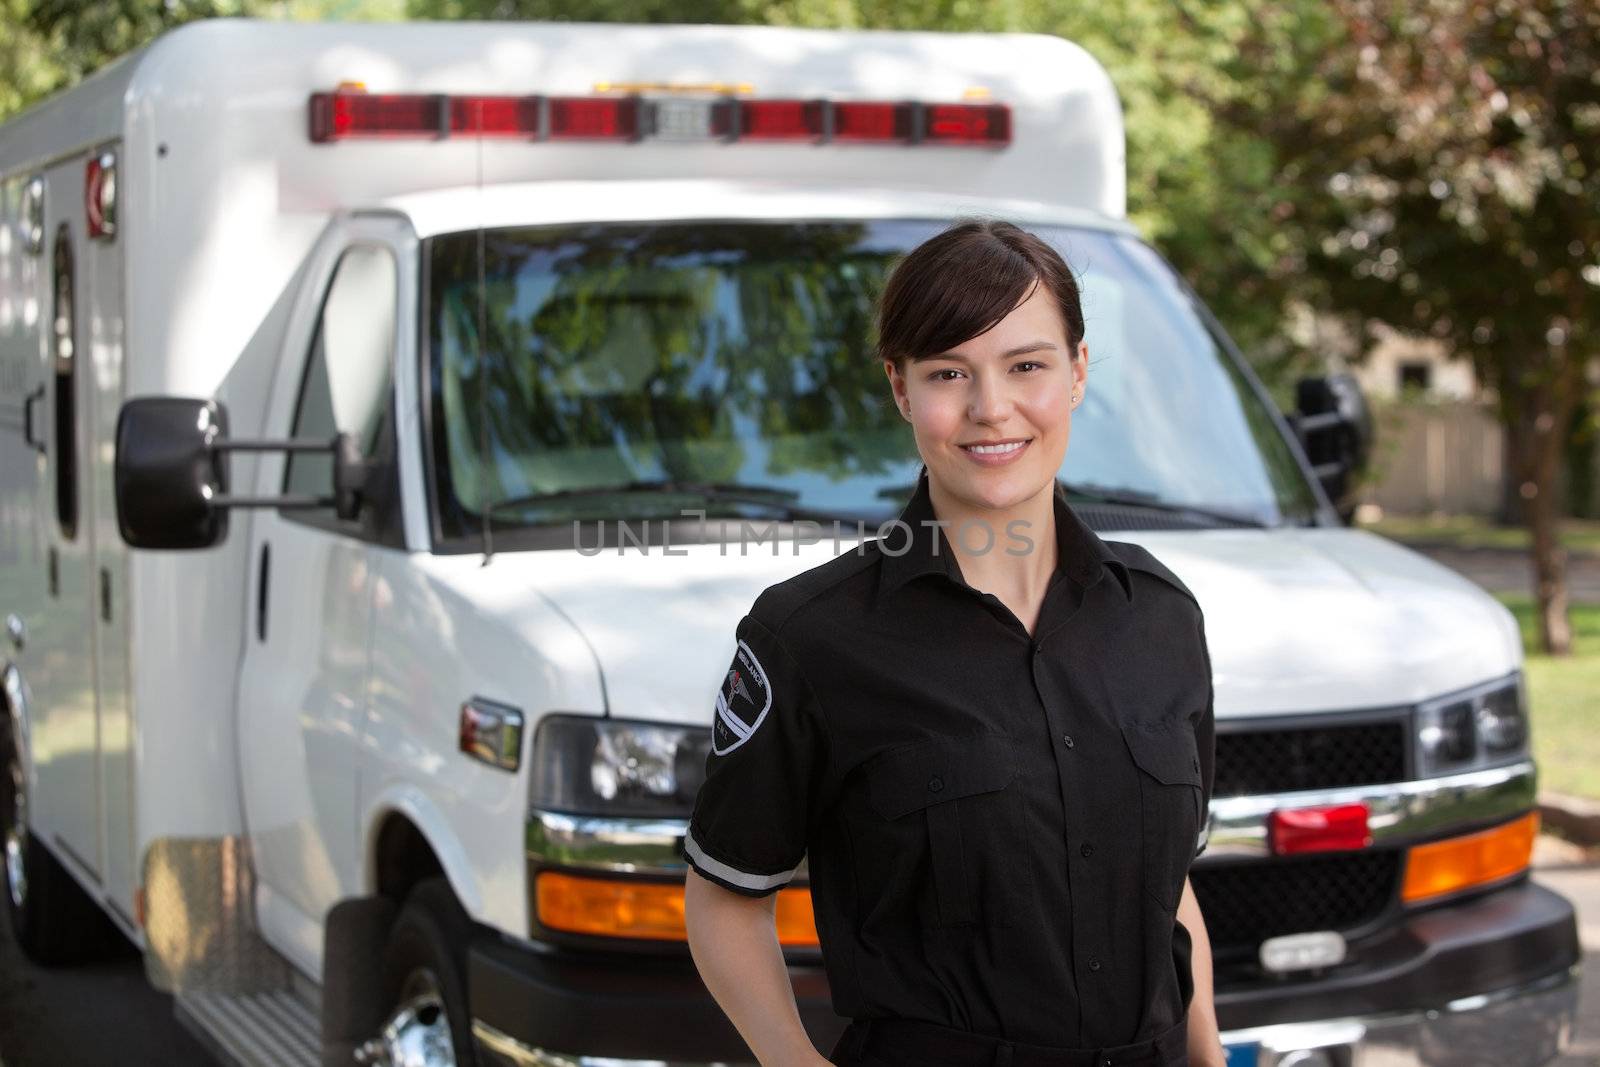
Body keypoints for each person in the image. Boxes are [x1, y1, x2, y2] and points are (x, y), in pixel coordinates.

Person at [683, 219, 1226, 1067]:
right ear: (901, 389)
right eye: (948, 373)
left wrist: (1208, 1055)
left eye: (1027, 365)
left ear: (1078, 372)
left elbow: (1169, 887)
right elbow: (725, 896)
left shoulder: (1160, 615)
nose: (990, 408)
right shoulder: (813, 637)